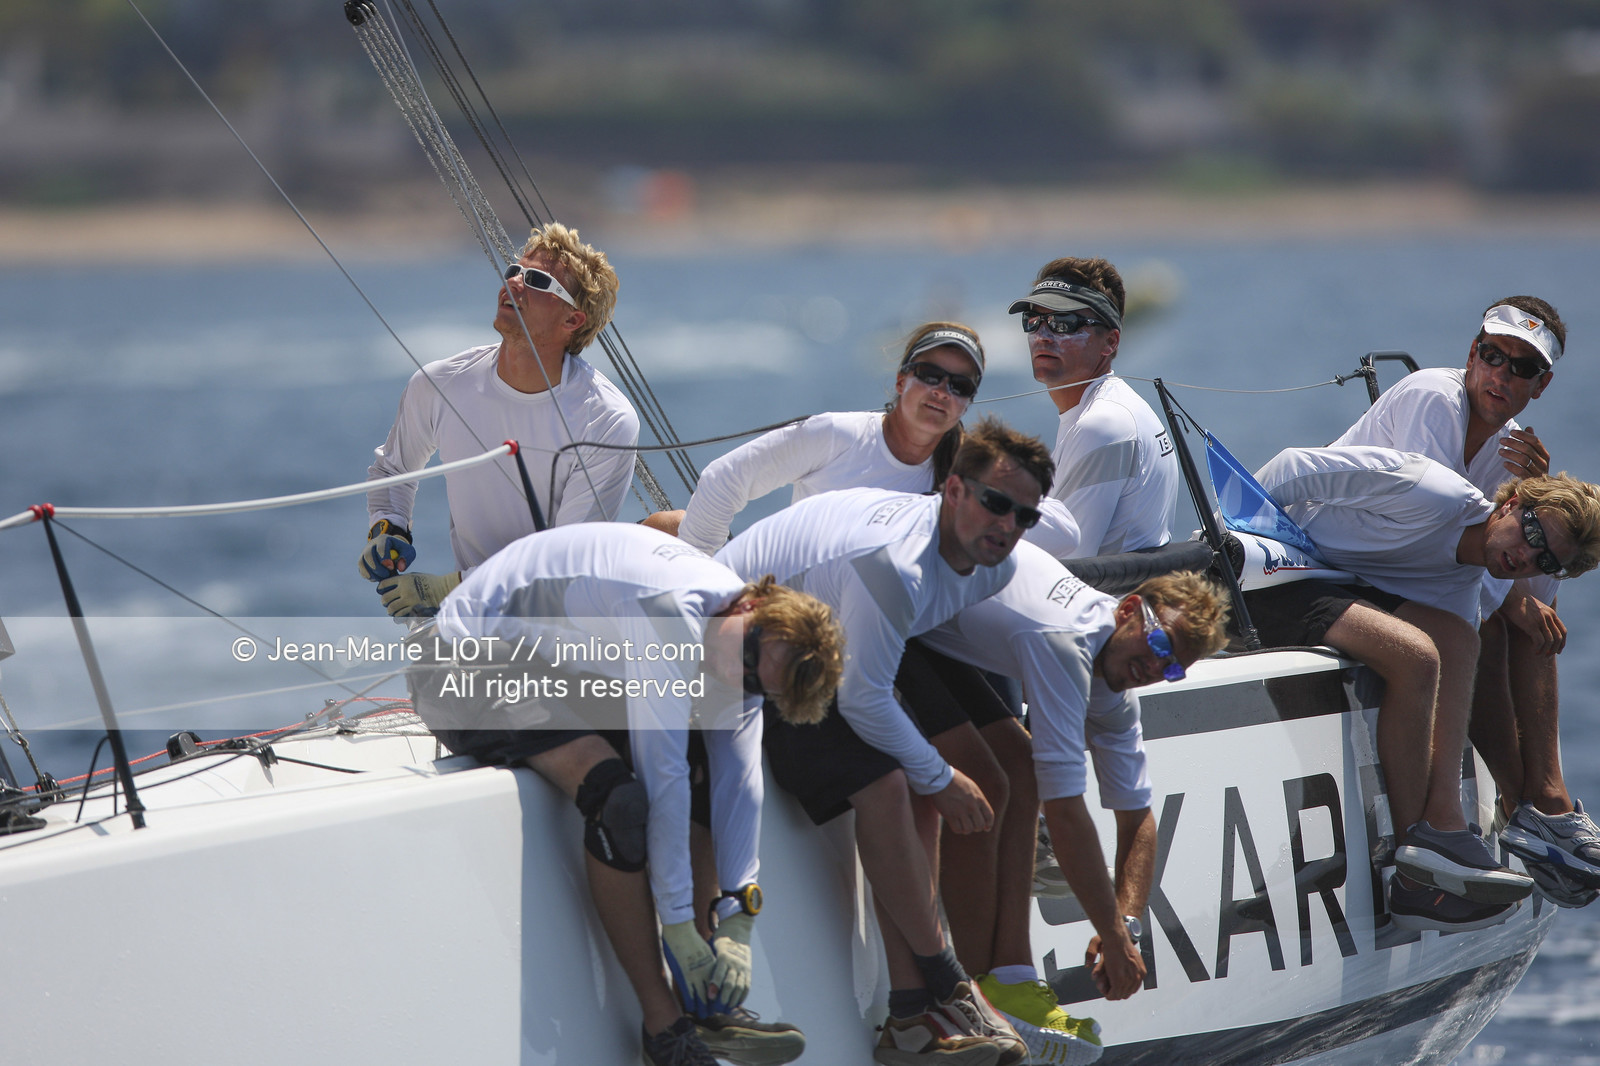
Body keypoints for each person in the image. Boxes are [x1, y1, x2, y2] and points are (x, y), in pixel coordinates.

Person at [411, 522, 844, 1066]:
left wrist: (739, 916)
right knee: (618, 801)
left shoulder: (741, 646)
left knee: (705, 772)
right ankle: (665, 1029)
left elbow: (738, 782)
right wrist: (678, 924)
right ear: (751, 605)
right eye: (751, 653)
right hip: (461, 661)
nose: (742, 675)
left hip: (562, 664)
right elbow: (659, 778)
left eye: (757, 683)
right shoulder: (669, 610)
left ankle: (706, 997)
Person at [714, 419, 1054, 1066]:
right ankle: (951, 985)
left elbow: (892, 661)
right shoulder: (896, 564)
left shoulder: (990, 565)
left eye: (1025, 516)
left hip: (832, 645)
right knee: (893, 782)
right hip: (750, 654)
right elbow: (863, 699)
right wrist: (942, 775)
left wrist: (940, 772)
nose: (1008, 525)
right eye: (995, 502)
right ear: (952, 489)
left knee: (919, 788)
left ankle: (908, 1019)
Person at [1246, 445, 1600, 931]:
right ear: (1512, 502)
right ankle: (1418, 866)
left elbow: (1456, 676)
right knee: (1417, 655)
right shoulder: (1431, 493)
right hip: (1270, 573)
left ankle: (1443, 828)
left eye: (1545, 561)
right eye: (1532, 532)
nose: (1525, 556)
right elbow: (1291, 466)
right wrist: (1234, 543)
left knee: (1458, 639)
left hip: (1332, 586)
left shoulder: (1466, 583)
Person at [1333, 297, 1600, 907]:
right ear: (1472, 353)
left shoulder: (1512, 450)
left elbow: (1520, 574)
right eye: (1492, 355)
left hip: (1399, 574)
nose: (1501, 375)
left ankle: (1544, 801)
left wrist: (1539, 494)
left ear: (1542, 385)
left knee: (1534, 625)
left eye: (1521, 368)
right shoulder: (1432, 398)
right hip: (1353, 562)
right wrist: (1511, 601)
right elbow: (1426, 534)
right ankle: (1521, 802)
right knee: (1491, 624)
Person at [917, 546, 1229, 1064]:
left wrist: (1123, 927)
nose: (1155, 666)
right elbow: (1065, 813)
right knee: (1004, 774)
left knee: (1018, 766)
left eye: (1173, 667)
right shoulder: (1070, 641)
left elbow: (1138, 820)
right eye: (1159, 643)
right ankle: (972, 995)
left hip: (937, 634)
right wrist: (1110, 933)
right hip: (886, 616)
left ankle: (1009, 983)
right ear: (1128, 609)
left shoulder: (1114, 686)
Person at [361, 222, 640, 617]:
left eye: (538, 280)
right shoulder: (439, 384)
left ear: (572, 321)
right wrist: (388, 527)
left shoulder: (607, 420)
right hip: (468, 621)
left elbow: (565, 563)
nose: (515, 284)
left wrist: (447, 588)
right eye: (514, 271)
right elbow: (393, 469)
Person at [646, 321, 1077, 558]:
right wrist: (704, 586)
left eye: (960, 386)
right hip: (799, 609)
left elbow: (1064, 533)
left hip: (899, 624)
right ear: (901, 380)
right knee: (663, 526)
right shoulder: (835, 433)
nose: (942, 392)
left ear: (967, 403)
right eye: (930, 376)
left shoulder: (969, 470)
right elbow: (725, 478)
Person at [1007, 257, 1179, 559]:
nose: (1043, 336)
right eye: (1033, 321)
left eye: (1064, 323)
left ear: (1110, 342)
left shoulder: (1102, 425)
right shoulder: (1104, 410)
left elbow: (1070, 563)